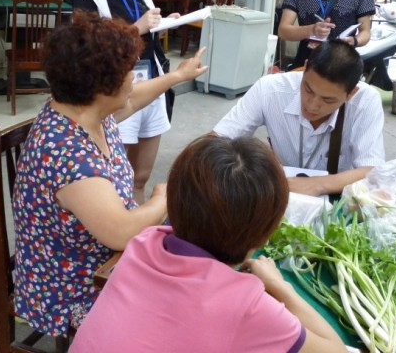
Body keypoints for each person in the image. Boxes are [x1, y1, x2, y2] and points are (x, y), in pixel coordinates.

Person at [11, 12, 208, 338]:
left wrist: (177, 76)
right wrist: (164, 197)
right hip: (72, 286)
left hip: (102, 260)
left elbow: (132, 100)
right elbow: (122, 233)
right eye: (128, 71)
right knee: (185, 310)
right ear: (101, 88)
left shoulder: (83, 109)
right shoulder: (67, 155)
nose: (134, 77)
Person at [71, 135, 347, 353]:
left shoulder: (144, 243)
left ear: (173, 204)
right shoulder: (246, 305)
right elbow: (335, 350)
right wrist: (280, 286)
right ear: (266, 234)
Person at [71, 0, 178, 203]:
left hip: (150, 84)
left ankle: (138, 227)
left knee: (141, 176)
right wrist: (138, 28)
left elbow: (144, 27)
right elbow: (90, 50)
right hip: (117, 92)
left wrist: (162, 24)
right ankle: (121, 227)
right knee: (118, 177)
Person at [213, 40, 384, 197]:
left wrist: (317, 184)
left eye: (328, 100)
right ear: (305, 68)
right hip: (280, 190)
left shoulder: (366, 101)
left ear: (351, 93)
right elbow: (217, 140)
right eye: (308, 89)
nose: (312, 105)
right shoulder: (269, 89)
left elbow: (372, 171)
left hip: (337, 197)